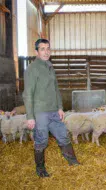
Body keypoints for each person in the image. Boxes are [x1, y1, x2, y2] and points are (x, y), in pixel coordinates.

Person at [23, 39, 79, 178]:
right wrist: (30, 116)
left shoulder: (50, 66)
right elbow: (28, 94)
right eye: (42, 48)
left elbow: (56, 89)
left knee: (63, 136)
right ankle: (40, 169)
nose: (46, 51)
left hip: (54, 111)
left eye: (48, 48)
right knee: (41, 140)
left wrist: (60, 107)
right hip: (40, 112)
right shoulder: (32, 69)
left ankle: (73, 162)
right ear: (36, 51)